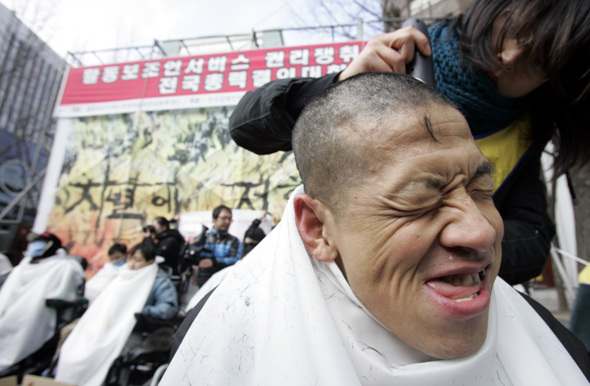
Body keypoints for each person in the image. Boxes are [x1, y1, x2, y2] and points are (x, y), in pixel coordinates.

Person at [163, 73, 590, 384]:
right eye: (420, 198)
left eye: (482, 191)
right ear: (318, 229)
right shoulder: (221, 349)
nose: (480, 232)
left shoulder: (556, 347)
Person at [229, 0, 590, 286]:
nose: (509, 57)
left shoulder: (526, 131)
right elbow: (247, 126)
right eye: (515, 31)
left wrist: (450, 254)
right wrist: (342, 84)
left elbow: (532, 239)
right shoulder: (394, 63)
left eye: (538, 60)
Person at [55, 241, 178, 385]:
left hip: (131, 329)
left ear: (150, 262)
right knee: (70, 338)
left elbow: (168, 308)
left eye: (138, 260)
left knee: (104, 353)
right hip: (103, 325)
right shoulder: (122, 275)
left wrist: (141, 312)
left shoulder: (159, 281)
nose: (132, 264)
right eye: (131, 259)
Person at [0, 232, 85, 372]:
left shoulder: (64, 266)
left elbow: (64, 294)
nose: (35, 246)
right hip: (8, 311)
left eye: (40, 242)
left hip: (35, 312)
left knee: (23, 327)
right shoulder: (22, 267)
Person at [191, 205, 243, 286]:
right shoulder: (202, 237)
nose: (227, 222)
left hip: (223, 282)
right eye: (224, 218)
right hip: (201, 280)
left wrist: (214, 261)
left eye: (229, 219)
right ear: (214, 219)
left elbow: (236, 260)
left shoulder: (234, 241)